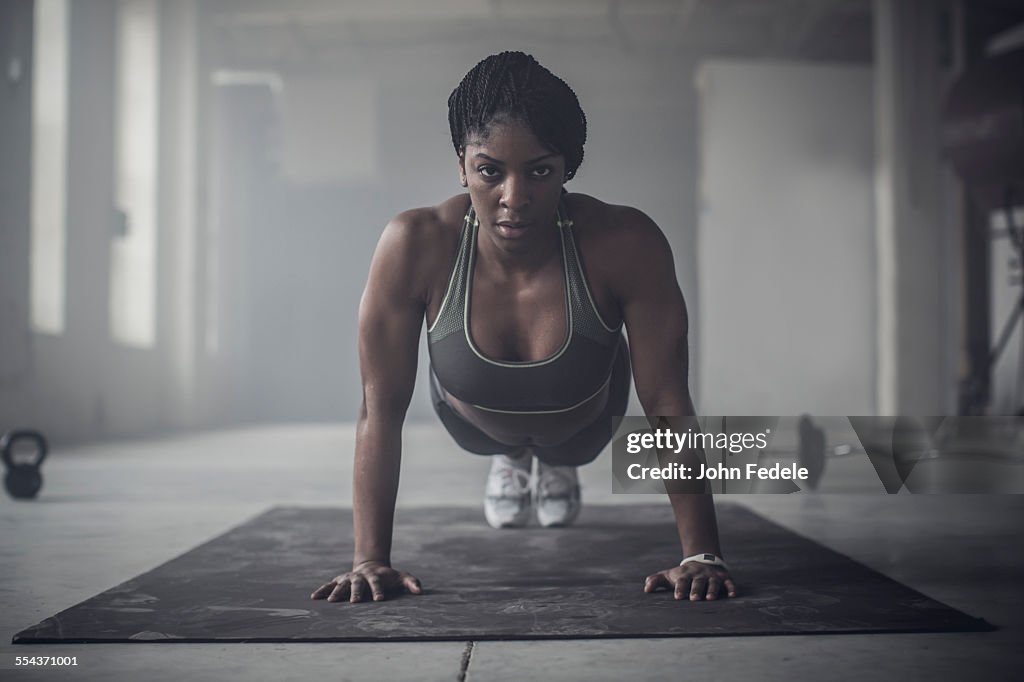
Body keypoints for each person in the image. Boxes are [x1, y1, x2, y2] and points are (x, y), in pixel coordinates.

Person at [311, 51, 737, 605]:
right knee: (503, 438)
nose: (515, 198)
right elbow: (379, 407)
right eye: (490, 171)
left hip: (585, 423)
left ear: (568, 169)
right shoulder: (415, 244)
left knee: (564, 447)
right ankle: (511, 459)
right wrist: (369, 559)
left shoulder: (627, 243)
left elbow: (667, 400)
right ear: (461, 164)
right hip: (473, 421)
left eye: (540, 171)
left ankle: (552, 465)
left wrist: (700, 553)